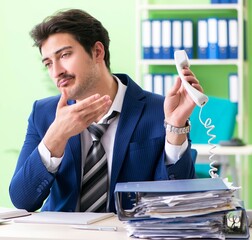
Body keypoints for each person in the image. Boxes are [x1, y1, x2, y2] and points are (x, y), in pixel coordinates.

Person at [9, 9, 203, 213]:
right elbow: (23, 200)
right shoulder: (43, 113)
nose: (56, 72)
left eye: (65, 55)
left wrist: (174, 129)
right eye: (48, 63)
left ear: (97, 52)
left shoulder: (158, 111)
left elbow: (178, 200)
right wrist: (55, 137)